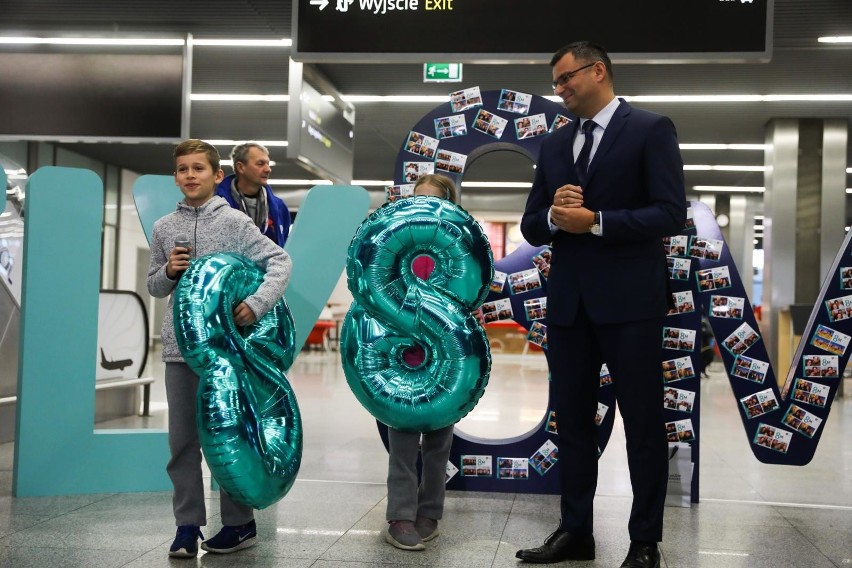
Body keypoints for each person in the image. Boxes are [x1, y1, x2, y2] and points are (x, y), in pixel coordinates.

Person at [515, 42, 686, 568]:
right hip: (570, 305)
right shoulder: (556, 145)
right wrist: (554, 216)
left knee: (641, 422)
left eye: (567, 79)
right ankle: (575, 532)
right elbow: (530, 223)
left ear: (598, 70)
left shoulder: (650, 129)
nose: (560, 89)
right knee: (572, 424)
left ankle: (644, 541)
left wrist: (597, 221)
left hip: (632, 303)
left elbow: (669, 212)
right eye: (556, 83)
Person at [147, 139, 293, 558]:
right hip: (180, 353)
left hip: (227, 353)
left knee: (230, 437)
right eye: (182, 169)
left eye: (198, 169)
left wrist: (256, 304)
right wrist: (169, 272)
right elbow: (153, 285)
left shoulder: (234, 223)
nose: (190, 176)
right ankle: (186, 526)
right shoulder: (162, 227)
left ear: (216, 175)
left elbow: (280, 262)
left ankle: (239, 524)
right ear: (175, 177)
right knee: (183, 445)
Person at [383, 173, 465, 552]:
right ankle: (400, 514)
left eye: (431, 201)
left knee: (438, 441)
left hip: (447, 362)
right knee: (400, 439)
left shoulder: (460, 248)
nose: (422, 209)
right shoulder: (396, 245)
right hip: (402, 358)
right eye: (416, 200)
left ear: (449, 205)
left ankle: (429, 511)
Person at [216, 142, 291, 247]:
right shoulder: (217, 204)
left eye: (267, 164)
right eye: (260, 164)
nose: (268, 169)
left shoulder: (279, 207)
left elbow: (283, 247)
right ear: (241, 167)